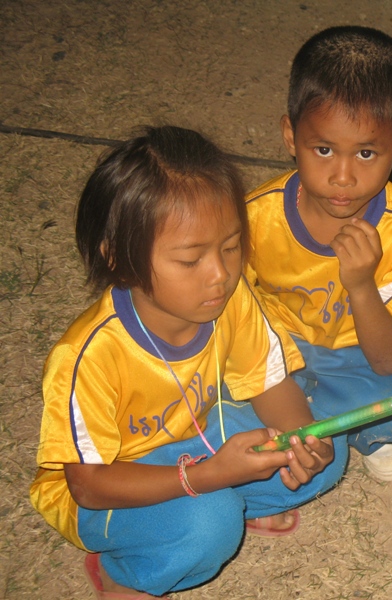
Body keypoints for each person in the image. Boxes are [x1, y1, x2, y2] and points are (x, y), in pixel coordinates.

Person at [30, 126, 346, 599]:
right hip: (110, 489)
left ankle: (223, 497)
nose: (220, 274)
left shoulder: (231, 299)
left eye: (231, 246)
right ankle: (123, 573)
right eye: (190, 259)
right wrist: (207, 477)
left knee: (329, 447)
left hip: (191, 437)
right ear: (119, 258)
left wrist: (303, 440)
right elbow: (89, 487)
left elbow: (269, 383)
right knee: (211, 525)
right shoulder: (88, 357)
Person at [246, 26, 392, 482]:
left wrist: (361, 285)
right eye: (324, 149)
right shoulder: (253, 218)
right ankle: (313, 421)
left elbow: (390, 360)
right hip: (275, 348)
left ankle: (335, 424)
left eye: (367, 152)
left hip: (358, 353)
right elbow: (232, 321)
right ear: (291, 136)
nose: (344, 177)